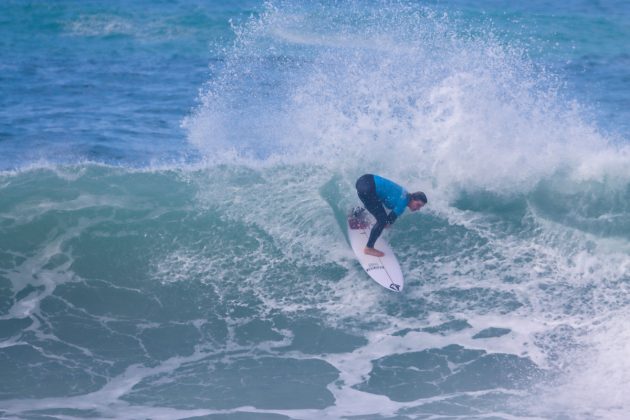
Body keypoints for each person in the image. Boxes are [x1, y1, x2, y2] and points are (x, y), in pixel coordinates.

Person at [355, 174, 427, 257]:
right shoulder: (402, 205)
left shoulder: (404, 192)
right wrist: (384, 224)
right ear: (413, 198)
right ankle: (369, 248)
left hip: (364, 180)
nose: (418, 208)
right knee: (382, 220)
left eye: (420, 207)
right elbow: (386, 223)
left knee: (375, 200)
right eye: (418, 205)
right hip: (368, 190)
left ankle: (356, 213)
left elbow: (381, 196)